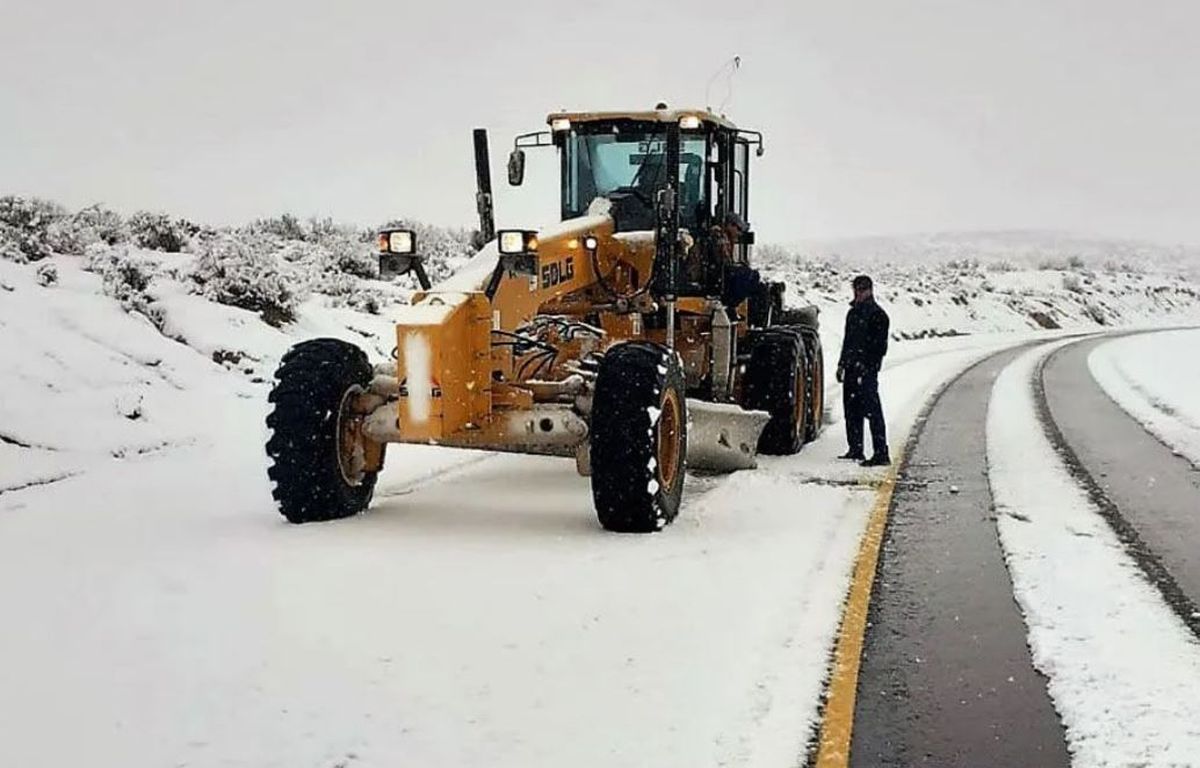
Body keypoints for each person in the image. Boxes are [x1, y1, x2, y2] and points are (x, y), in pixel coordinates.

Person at [837, 275, 891, 466]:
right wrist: (842, 364)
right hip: (851, 368)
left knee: (872, 410)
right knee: (851, 410)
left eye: (860, 290)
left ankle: (881, 452)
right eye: (855, 289)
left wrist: (868, 366)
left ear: (869, 290)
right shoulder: (853, 314)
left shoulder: (878, 315)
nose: (857, 293)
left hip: (866, 371)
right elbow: (848, 341)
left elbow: (880, 347)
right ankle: (855, 448)